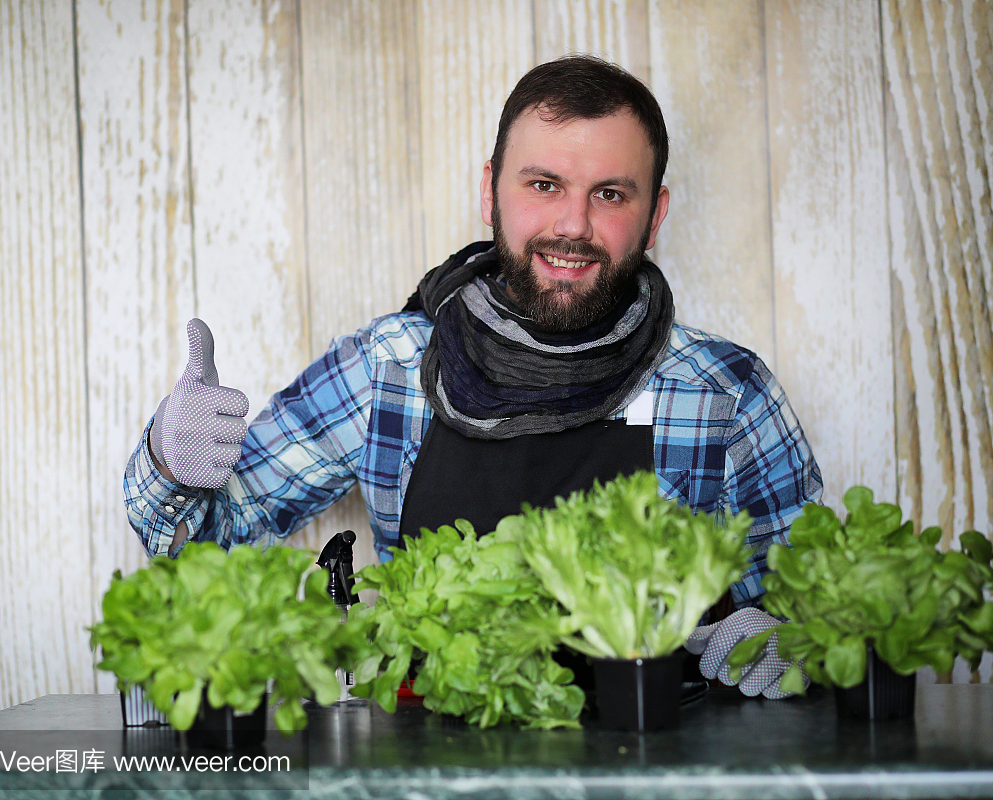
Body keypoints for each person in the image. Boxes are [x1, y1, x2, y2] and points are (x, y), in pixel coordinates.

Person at [124, 55, 823, 699]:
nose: (573, 225)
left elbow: (825, 614)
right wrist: (170, 462)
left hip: (652, 764)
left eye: (610, 193)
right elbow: (206, 545)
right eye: (544, 184)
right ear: (491, 190)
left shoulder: (724, 393)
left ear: (655, 213)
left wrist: (780, 637)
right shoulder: (387, 371)